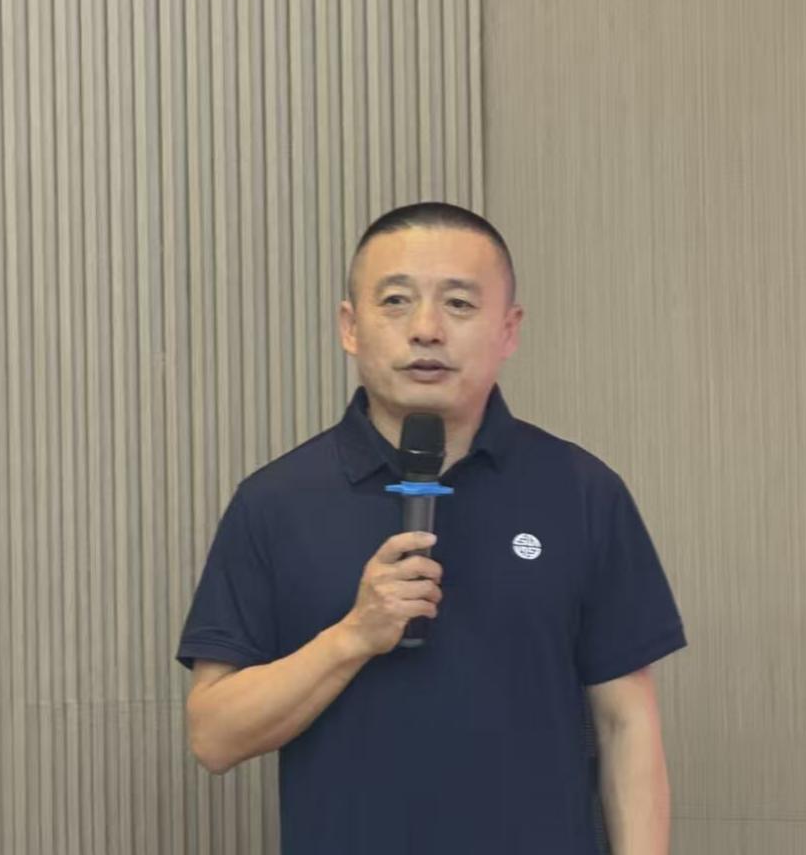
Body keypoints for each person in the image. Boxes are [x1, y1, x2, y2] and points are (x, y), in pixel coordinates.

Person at [176, 202, 686, 854]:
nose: (426, 330)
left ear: (509, 329)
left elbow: (626, 725)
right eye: (396, 301)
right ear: (350, 326)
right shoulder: (275, 502)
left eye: (459, 304)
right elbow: (214, 736)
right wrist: (353, 636)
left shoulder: (581, 491)